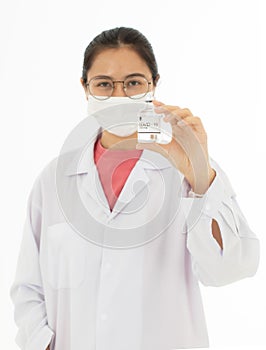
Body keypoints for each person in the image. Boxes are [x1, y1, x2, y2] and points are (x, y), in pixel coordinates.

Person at [10, 27, 260, 350]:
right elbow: (28, 288)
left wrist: (200, 176)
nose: (118, 97)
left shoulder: (186, 172)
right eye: (104, 84)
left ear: (154, 85)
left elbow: (231, 268)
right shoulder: (53, 181)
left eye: (133, 83)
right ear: (85, 88)